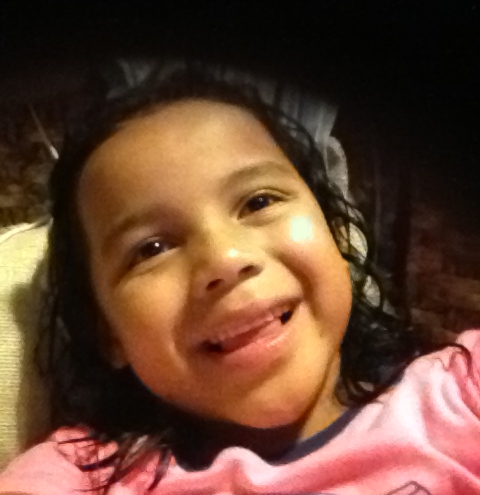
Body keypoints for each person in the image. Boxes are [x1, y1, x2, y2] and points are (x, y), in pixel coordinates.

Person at [0, 64, 479, 495]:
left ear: (336, 233)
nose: (224, 260)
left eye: (258, 202)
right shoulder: (81, 478)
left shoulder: (462, 393)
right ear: (107, 331)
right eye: (152, 249)